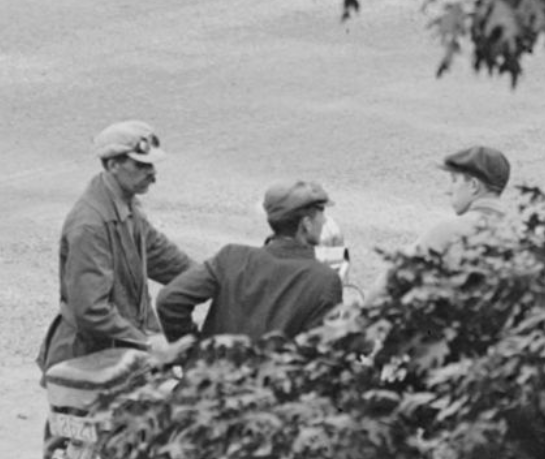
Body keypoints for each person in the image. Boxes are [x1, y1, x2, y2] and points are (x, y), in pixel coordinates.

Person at [51, 120, 181, 367]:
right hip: (92, 359)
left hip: (124, 348)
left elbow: (159, 254)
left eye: (151, 165)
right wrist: (146, 342)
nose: (152, 173)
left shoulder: (126, 203)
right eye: (141, 165)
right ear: (113, 165)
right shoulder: (90, 226)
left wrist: (211, 279)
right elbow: (91, 310)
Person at [175, 179, 352, 347]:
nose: (324, 221)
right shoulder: (324, 279)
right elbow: (321, 351)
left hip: (215, 368)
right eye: (321, 213)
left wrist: (193, 352)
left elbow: (171, 299)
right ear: (306, 224)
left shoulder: (231, 257)